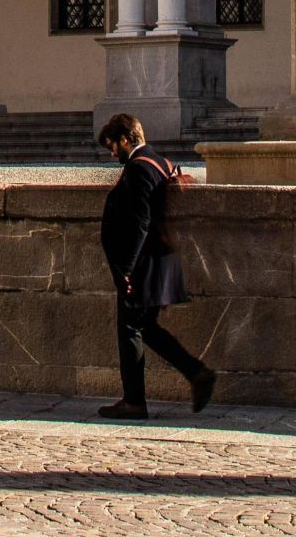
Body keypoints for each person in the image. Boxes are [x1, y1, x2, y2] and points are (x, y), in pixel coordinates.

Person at [94, 113, 215, 417]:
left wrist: (126, 271)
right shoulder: (160, 162)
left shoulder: (138, 169)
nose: (112, 154)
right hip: (159, 260)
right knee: (144, 327)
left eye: (113, 146)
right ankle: (196, 373)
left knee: (130, 327)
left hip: (143, 265)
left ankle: (135, 401)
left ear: (125, 139)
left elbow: (139, 223)